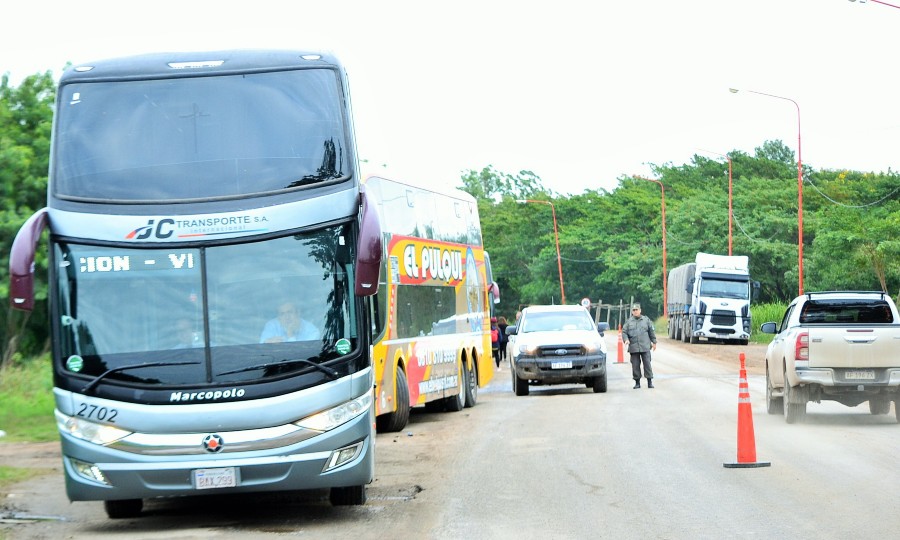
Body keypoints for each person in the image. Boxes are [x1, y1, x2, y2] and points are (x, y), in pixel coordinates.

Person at [622, 303, 657, 389]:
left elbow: (651, 331)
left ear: (640, 310)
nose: (635, 311)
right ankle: (637, 382)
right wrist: (626, 340)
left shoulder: (646, 320)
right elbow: (624, 332)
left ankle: (649, 381)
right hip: (634, 347)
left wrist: (654, 342)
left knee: (647, 364)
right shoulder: (629, 322)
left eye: (637, 310)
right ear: (632, 312)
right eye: (633, 310)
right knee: (635, 365)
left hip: (645, 346)